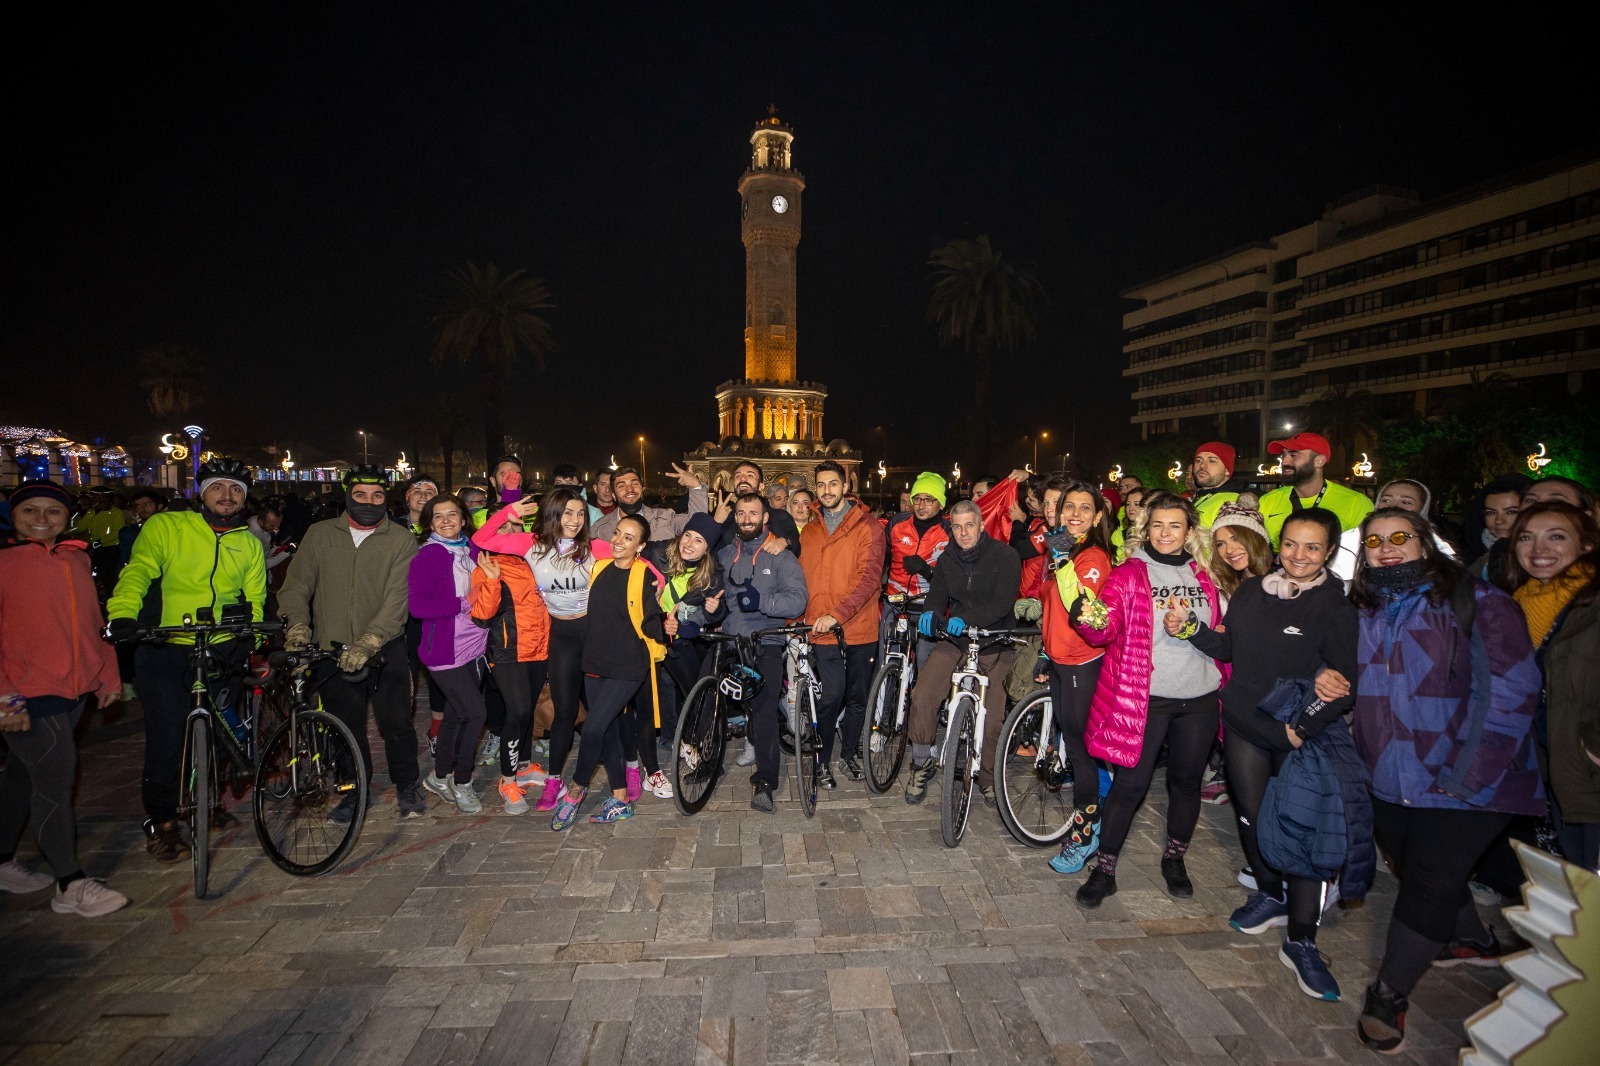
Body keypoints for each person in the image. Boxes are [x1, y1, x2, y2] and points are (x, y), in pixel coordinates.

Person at [1337, 507, 1544, 1053]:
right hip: (1388, 773)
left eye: (1399, 537)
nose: (1386, 548)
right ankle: (1472, 938)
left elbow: (1512, 691)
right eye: (1375, 541)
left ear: (1426, 543)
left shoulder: (1479, 602)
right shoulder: (1364, 609)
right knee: (1417, 866)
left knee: (1428, 878)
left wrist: (1471, 773)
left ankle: (1388, 995)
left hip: (1471, 776)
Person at [1179, 508, 1360, 1001]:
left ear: (1329, 552)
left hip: (1299, 733)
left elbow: (1345, 683)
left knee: (1300, 831)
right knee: (1252, 818)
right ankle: (1269, 893)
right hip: (1244, 725)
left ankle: (1302, 940)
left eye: (1312, 547)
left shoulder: (1335, 607)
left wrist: (1301, 728)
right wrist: (1189, 629)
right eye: (1292, 544)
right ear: (1279, 546)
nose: (1299, 555)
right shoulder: (1251, 592)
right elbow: (1230, 649)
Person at [106, 458, 267, 862]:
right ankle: (163, 823)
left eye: (236, 490)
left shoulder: (248, 542)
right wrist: (123, 614)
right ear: (202, 492)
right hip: (167, 645)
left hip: (222, 645)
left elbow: (255, 595)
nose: (227, 496)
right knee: (167, 739)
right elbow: (139, 571)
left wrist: (256, 633)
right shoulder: (168, 526)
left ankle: (208, 802)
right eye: (218, 488)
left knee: (219, 734)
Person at [1071, 492, 1224, 908]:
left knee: (1186, 783)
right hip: (1147, 697)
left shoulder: (1205, 574)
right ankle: (1105, 870)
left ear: (1189, 531)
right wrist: (1086, 616)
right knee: (1130, 786)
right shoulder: (1129, 574)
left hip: (1200, 696)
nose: (1165, 533)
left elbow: (1224, 633)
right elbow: (1105, 630)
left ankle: (1174, 859)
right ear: (1146, 528)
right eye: (1157, 525)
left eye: (1175, 525)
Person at [0, 481, 129, 916]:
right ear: (13, 515)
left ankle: (2, 860)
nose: (41, 519)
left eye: (52, 511)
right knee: (55, 780)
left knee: (22, 776)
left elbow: (94, 621)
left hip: (74, 690)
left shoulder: (77, 558)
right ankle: (69, 883)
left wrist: (108, 675)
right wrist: (5, 697)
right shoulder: (4, 562)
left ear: (66, 516)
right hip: (27, 693)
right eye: (30, 510)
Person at [278, 466, 427, 821]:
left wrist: (371, 640)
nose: (369, 503)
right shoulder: (319, 534)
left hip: (385, 646)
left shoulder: (400, 539)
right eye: (360, 495)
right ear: (347, 496)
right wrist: (297, 627)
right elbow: (297, 585)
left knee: (397, 723)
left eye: (377, 496)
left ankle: (406, 785)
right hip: (331, 647)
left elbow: (398, 597)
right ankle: (355, 789)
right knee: (344, 724)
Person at [471, 488, 612, 812]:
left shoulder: (535, 557)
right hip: (510, 650)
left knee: (541, 708)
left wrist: (657, 583)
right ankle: (510, 780)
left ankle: (524, 767)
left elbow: (631, 556)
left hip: (542, 647)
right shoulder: (503, 558)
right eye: (567, 513)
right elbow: (482, 539)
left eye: (580, 513)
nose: (508, 532)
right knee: (522, 711)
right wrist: (507, 513)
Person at [1497, 501, 1600, 868]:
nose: (1539, 549)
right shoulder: (1517, 606)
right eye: (1526, 538)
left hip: (1589, 765)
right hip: (1556, 767)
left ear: (1587, 545)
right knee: (1581, 883)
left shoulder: (1592, 604)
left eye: (1556, 537)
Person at [550, 514, 667, 829]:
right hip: (595, 662)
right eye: (617, 533)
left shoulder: (643, 574)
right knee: (609, 730)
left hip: (628, 665)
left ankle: (575, 791)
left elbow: (651, 617)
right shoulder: (599, 568)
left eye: (629, 537)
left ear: (640, 546)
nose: (618, 541)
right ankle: (620, 799)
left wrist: (667, 626)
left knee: (591, 729)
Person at [903, 500, 1021, 807]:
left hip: (994, 639)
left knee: (993, 718)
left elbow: (1003, 603)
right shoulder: (947, 558)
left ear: (981, 526)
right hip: (957, 640)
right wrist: (931, 613)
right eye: (957, 526)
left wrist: (968, 619)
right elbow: (938, 595)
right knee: (923, 694)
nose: (964, 532)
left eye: (969, 525)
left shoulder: (1005, 556)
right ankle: (920, 763)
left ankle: (987, 777)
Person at [1033, 478, 1115, 875]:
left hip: (1084, 662)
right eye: (1069, 506)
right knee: (1076, 746)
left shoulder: (1092, 555)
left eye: (1085, 508)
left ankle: (1085, 836)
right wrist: (1044, 652)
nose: (1076, 513)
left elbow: (1079, 606)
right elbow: (1051, 608)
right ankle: (1099, 814)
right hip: (1061, 660)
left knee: (1081, 753)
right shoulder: (1060, 550)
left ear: (1097, 516)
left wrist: (1063, 560)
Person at [718, 493, 809, 812]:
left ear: (765, 518)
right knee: (704, 694)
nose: (746, 519)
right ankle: (706, 761)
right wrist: (700, 612)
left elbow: (798, 600)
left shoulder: (780, 555)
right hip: (730, 637)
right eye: (741, 513)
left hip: (766, 639)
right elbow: (711, 592)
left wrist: (764, 603)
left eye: (753, 513)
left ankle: (765, 781)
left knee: (763, 707)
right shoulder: (726, 554)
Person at [798, 461, 884, 788]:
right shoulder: (810, 531)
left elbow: (869, 578)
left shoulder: (868, 526)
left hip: (859, 626)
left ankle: (848, 754)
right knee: (831, 695)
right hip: (821, 628)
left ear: (845, 486)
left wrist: (837, 614)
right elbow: (802, 579)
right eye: (821, 485)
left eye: (833, 484)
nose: (827, 490)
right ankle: (822, 760)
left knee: (857, 697)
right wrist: (796, 618)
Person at [404, 494, 488, 815]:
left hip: (475, 646)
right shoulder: (427, 557)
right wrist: (464, 602)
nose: (446, 521)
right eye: (438, 516)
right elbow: (418, 607)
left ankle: (439, 777)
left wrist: (510, 495)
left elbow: (496, 531)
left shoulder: (472, 550)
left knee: (456, 714)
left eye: (452, 514)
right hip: (444, 651)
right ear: (430, 524)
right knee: (476, 713)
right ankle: (462, 781)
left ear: (464, 519)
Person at [655, 513, 728, 797]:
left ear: (707, 548)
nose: (689, 543)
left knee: (695, 695)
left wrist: (713, 611)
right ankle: (674, 739)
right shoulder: (658, 556)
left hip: (685, 643)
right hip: (652, 639)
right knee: (663, 691)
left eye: (699, 540)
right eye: (688, 535)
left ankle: (703, 750)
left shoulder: (712, 574)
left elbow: (717, 611)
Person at [1258, 431, 1374, 548]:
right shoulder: (1266, 502)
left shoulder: (1356, 503)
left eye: (1294, 455)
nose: (1284, 462)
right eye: (1283, 455)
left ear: (1319, 461)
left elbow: (1368, 550)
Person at [882, 472, 951, 668]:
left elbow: (953, 577)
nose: (921, 505)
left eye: (929, 500)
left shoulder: (949, 531)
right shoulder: (896, 523)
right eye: (917, 499)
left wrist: (926, 570)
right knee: (888, 659)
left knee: (924, 660)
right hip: (895, 602)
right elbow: (882, 559)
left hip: (928, 604)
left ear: (941, 504)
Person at [1331, 479, 1455, 583]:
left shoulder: (1438, 547)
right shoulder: (1348, 541)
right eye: (1386, 500)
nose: (1394, 505)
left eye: (1406, 502)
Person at [592, 464, 709, 542]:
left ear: (642, 490)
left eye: (635, 483)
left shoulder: (665, 519)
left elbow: (698, 525)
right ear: (613, 495)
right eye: (622, 486)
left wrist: (696, 487)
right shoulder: (600, 529)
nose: (630, 489)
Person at [712, 461, 801, 556]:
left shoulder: (779, 517)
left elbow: (796, 547)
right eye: (738, 476)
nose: (742, 478)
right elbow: (711, 553)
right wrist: (716, 523)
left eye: (750, 475)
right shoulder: (726, 516)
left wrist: (784, 541)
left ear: (761, 486)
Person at [1462, 474, 1532, 578]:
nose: (1499, 521)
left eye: (1511, 512)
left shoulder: (1546, 557)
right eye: (1491, 512)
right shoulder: (1466, 560)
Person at [1205, 496, 1274, 602]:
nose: (1229, 550)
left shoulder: (1282, 583)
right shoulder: (1224, 589)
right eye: (1220, 544)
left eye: (1236, 539)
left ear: (1255, 539)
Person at [1191, 442, 1249, 527]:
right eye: (1198, 460)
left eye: (1212, 461)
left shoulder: (1234, 504)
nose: (1202, 465)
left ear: (1227, 470)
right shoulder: (1199, 497)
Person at [1110, 486, 1146, 563]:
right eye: (1128, 504)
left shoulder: (1154, 532)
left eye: (1136, 504)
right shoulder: (1120, 531)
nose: (1130, 508)